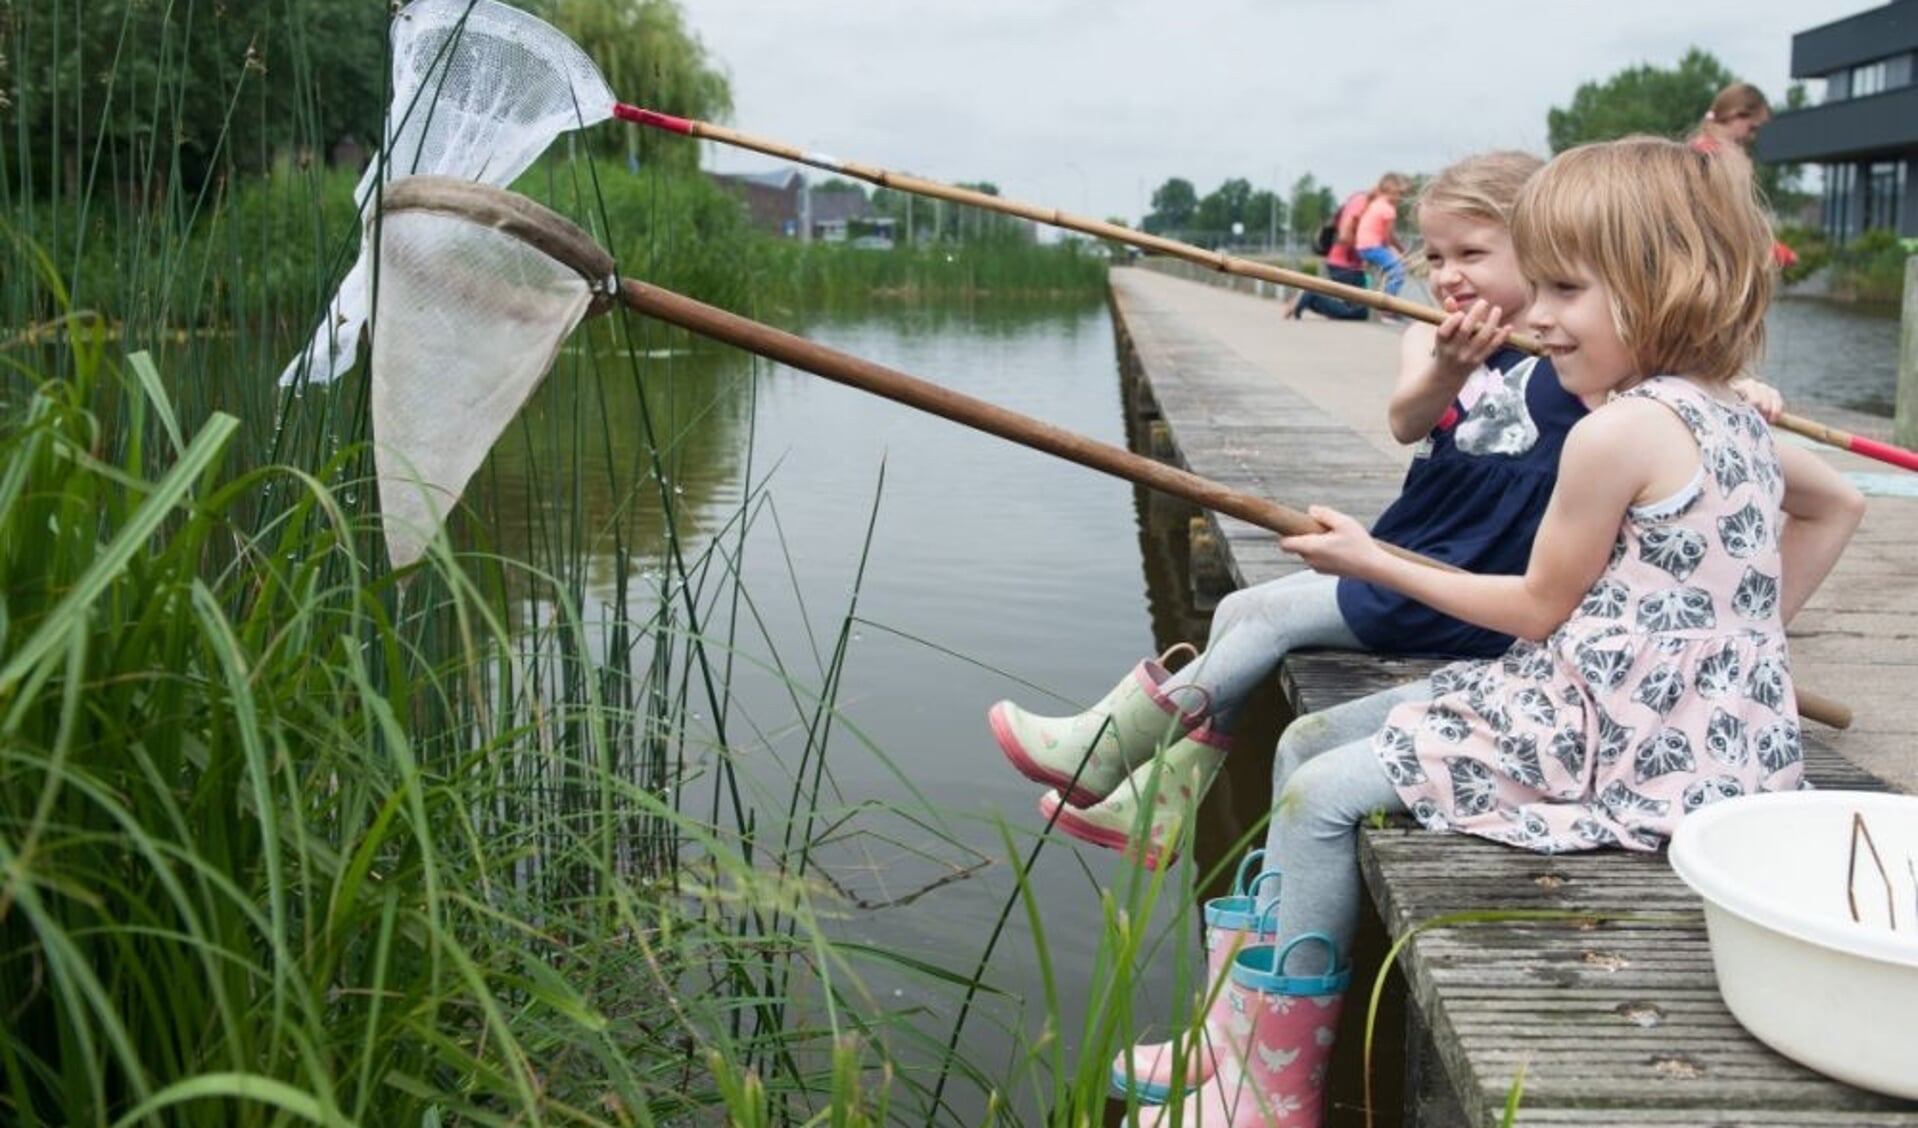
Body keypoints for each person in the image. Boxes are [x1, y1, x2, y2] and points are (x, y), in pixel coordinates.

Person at [1168, 136, 1863, 1128]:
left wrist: (1372, 559)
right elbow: (1838, 508)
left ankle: (1266, 1088)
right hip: (1691, 728)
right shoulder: (1733, 416)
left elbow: (1534, 607)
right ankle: (1227, 1036)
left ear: (1660, 284)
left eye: (1566, 291)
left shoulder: (1613, 432)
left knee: (1320, 793)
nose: (1535, 318)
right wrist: (1734, 651)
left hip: (1606, 735)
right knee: (1308, 733)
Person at [1690, 82, 1799, 270]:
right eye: (1752, 128)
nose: (1753, 137)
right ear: (1737, 115)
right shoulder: (1719, 158)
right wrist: (1771, 251)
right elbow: (1727, 222)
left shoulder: (1695, 148)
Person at [1283, 188, 1371, 321]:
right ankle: (1311, 295)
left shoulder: (1349, 206)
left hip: (1341, 262)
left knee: (1357, 310)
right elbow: (1346, 236)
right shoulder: (1360, 205)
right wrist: (1366, 252)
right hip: (1346, 265)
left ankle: (1310, 299)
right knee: (1358, 312)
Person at [1355, 172, 1413, 302]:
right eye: (1401, 195)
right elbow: (1388, 237)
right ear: (1394, 193)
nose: (1401, 199)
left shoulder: (1375, 203)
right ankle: (1388, 307)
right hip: (1372, 247)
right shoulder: (1388, 210)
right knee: (1398, 272)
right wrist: (1402, 252)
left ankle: (1381, 299)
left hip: (1362, 247)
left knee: (1389, 265)